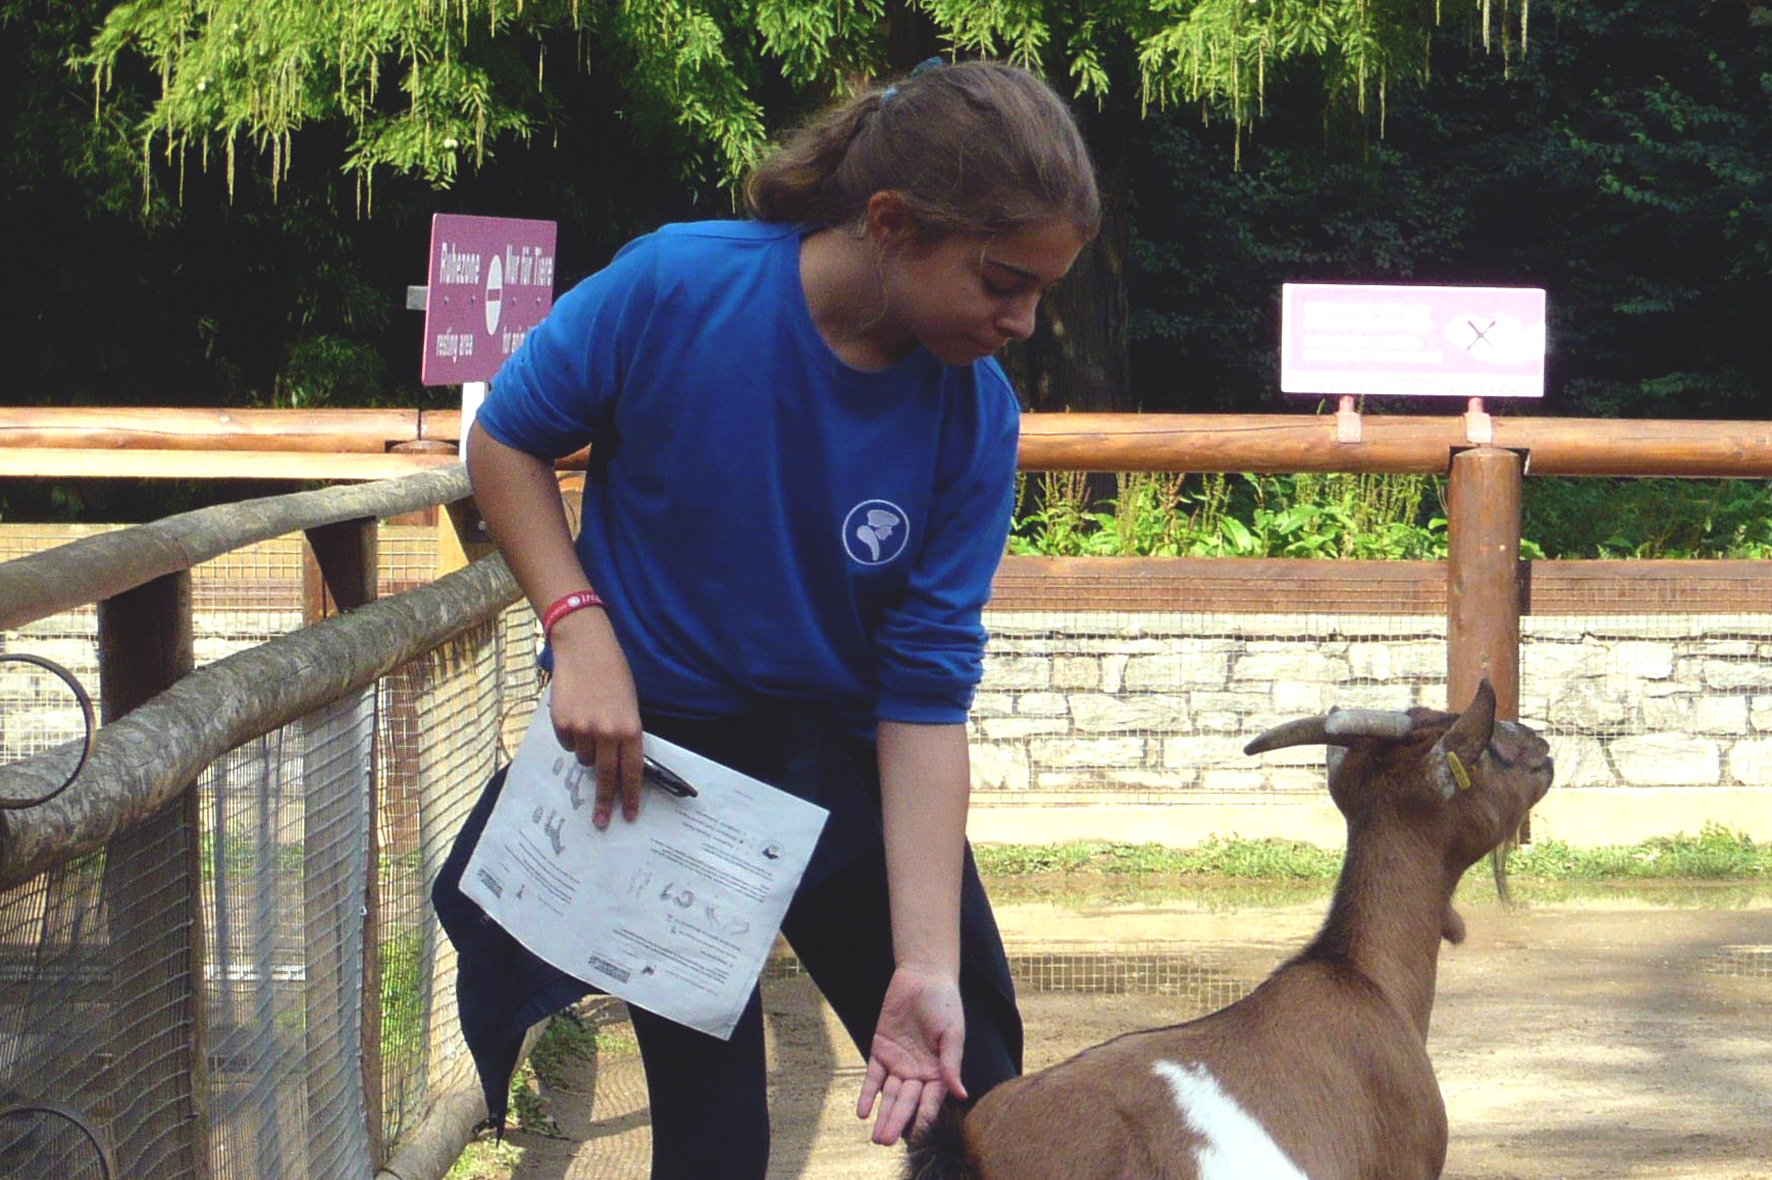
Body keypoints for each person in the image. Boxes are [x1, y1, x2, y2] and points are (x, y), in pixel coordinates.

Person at [433, 56, 1099, 1179]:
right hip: (662, 768)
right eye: (1000, 280)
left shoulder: (971, 414)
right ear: (890, 222)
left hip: (841, 769)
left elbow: (925, 689)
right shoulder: (677, 289)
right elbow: (504, 436)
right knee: (713, 1138)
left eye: (1040, 290)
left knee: (974, 1082)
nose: (1023, 320)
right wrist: (577, 624)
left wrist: (925, 960)